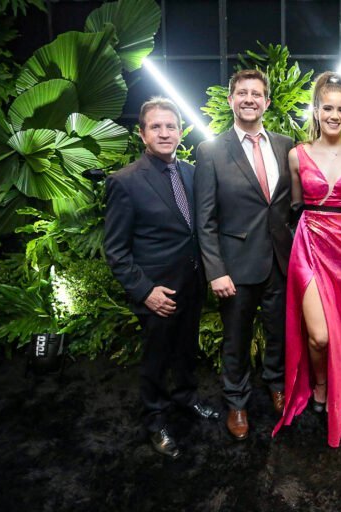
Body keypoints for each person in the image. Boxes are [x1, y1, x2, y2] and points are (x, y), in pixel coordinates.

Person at [104, 97, 220, 459]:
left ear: (180, 132)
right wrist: (145, 291)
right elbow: (116, 250)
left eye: (171, 126)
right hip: (158, 292)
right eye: (156, 126)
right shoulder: (124, 182)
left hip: (192, 283)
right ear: (142, 134)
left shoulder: (192, 172)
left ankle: (186, 397)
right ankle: (155, 421)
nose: (165, 133)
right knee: (155, 360)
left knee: (186, 350)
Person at [273, 71, 341, 448]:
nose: (335, 115)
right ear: (316, 111)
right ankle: (319, 384)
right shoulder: (297, 155)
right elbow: (296, 203)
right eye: (328, 108)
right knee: (318, 335)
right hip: (310, 244)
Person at [195, 69, 294, 441]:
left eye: (256, 93)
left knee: (279, 333)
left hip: (280, 261)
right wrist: (215, 270)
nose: (249, 99)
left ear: (267, 102)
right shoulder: (211, 151)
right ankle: (236, 401)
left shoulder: (286, 145)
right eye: (242, 93)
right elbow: (205, 219)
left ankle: (277, 384)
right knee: (236, 340)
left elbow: (292, 206)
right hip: (235, 267)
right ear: (231, 100)